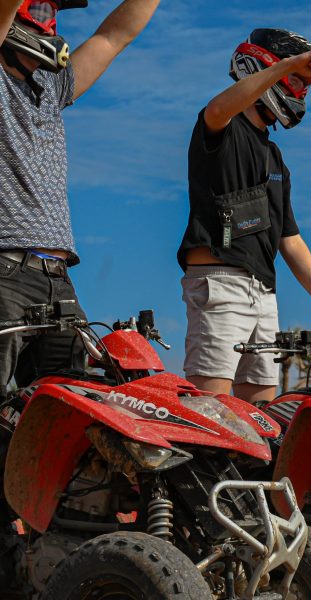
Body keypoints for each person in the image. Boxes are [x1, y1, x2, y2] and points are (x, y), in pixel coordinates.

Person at [177, 28, 311, 404]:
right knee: (210, 413)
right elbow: (218, 109)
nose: (301, 92)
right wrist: (290, 64)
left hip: (264, 293)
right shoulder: (221, 125)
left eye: (306, 86)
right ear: (262, 67)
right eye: (296, 81)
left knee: (259, 417)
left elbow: (290, 239)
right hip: (219, 283)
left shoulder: (275, 158)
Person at [0, 0, 160, 392]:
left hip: (58, 279)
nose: (51, 22)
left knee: (65, 409)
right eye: (39, 10)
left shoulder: (51, 88)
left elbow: (112, 36)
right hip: (5, 270)